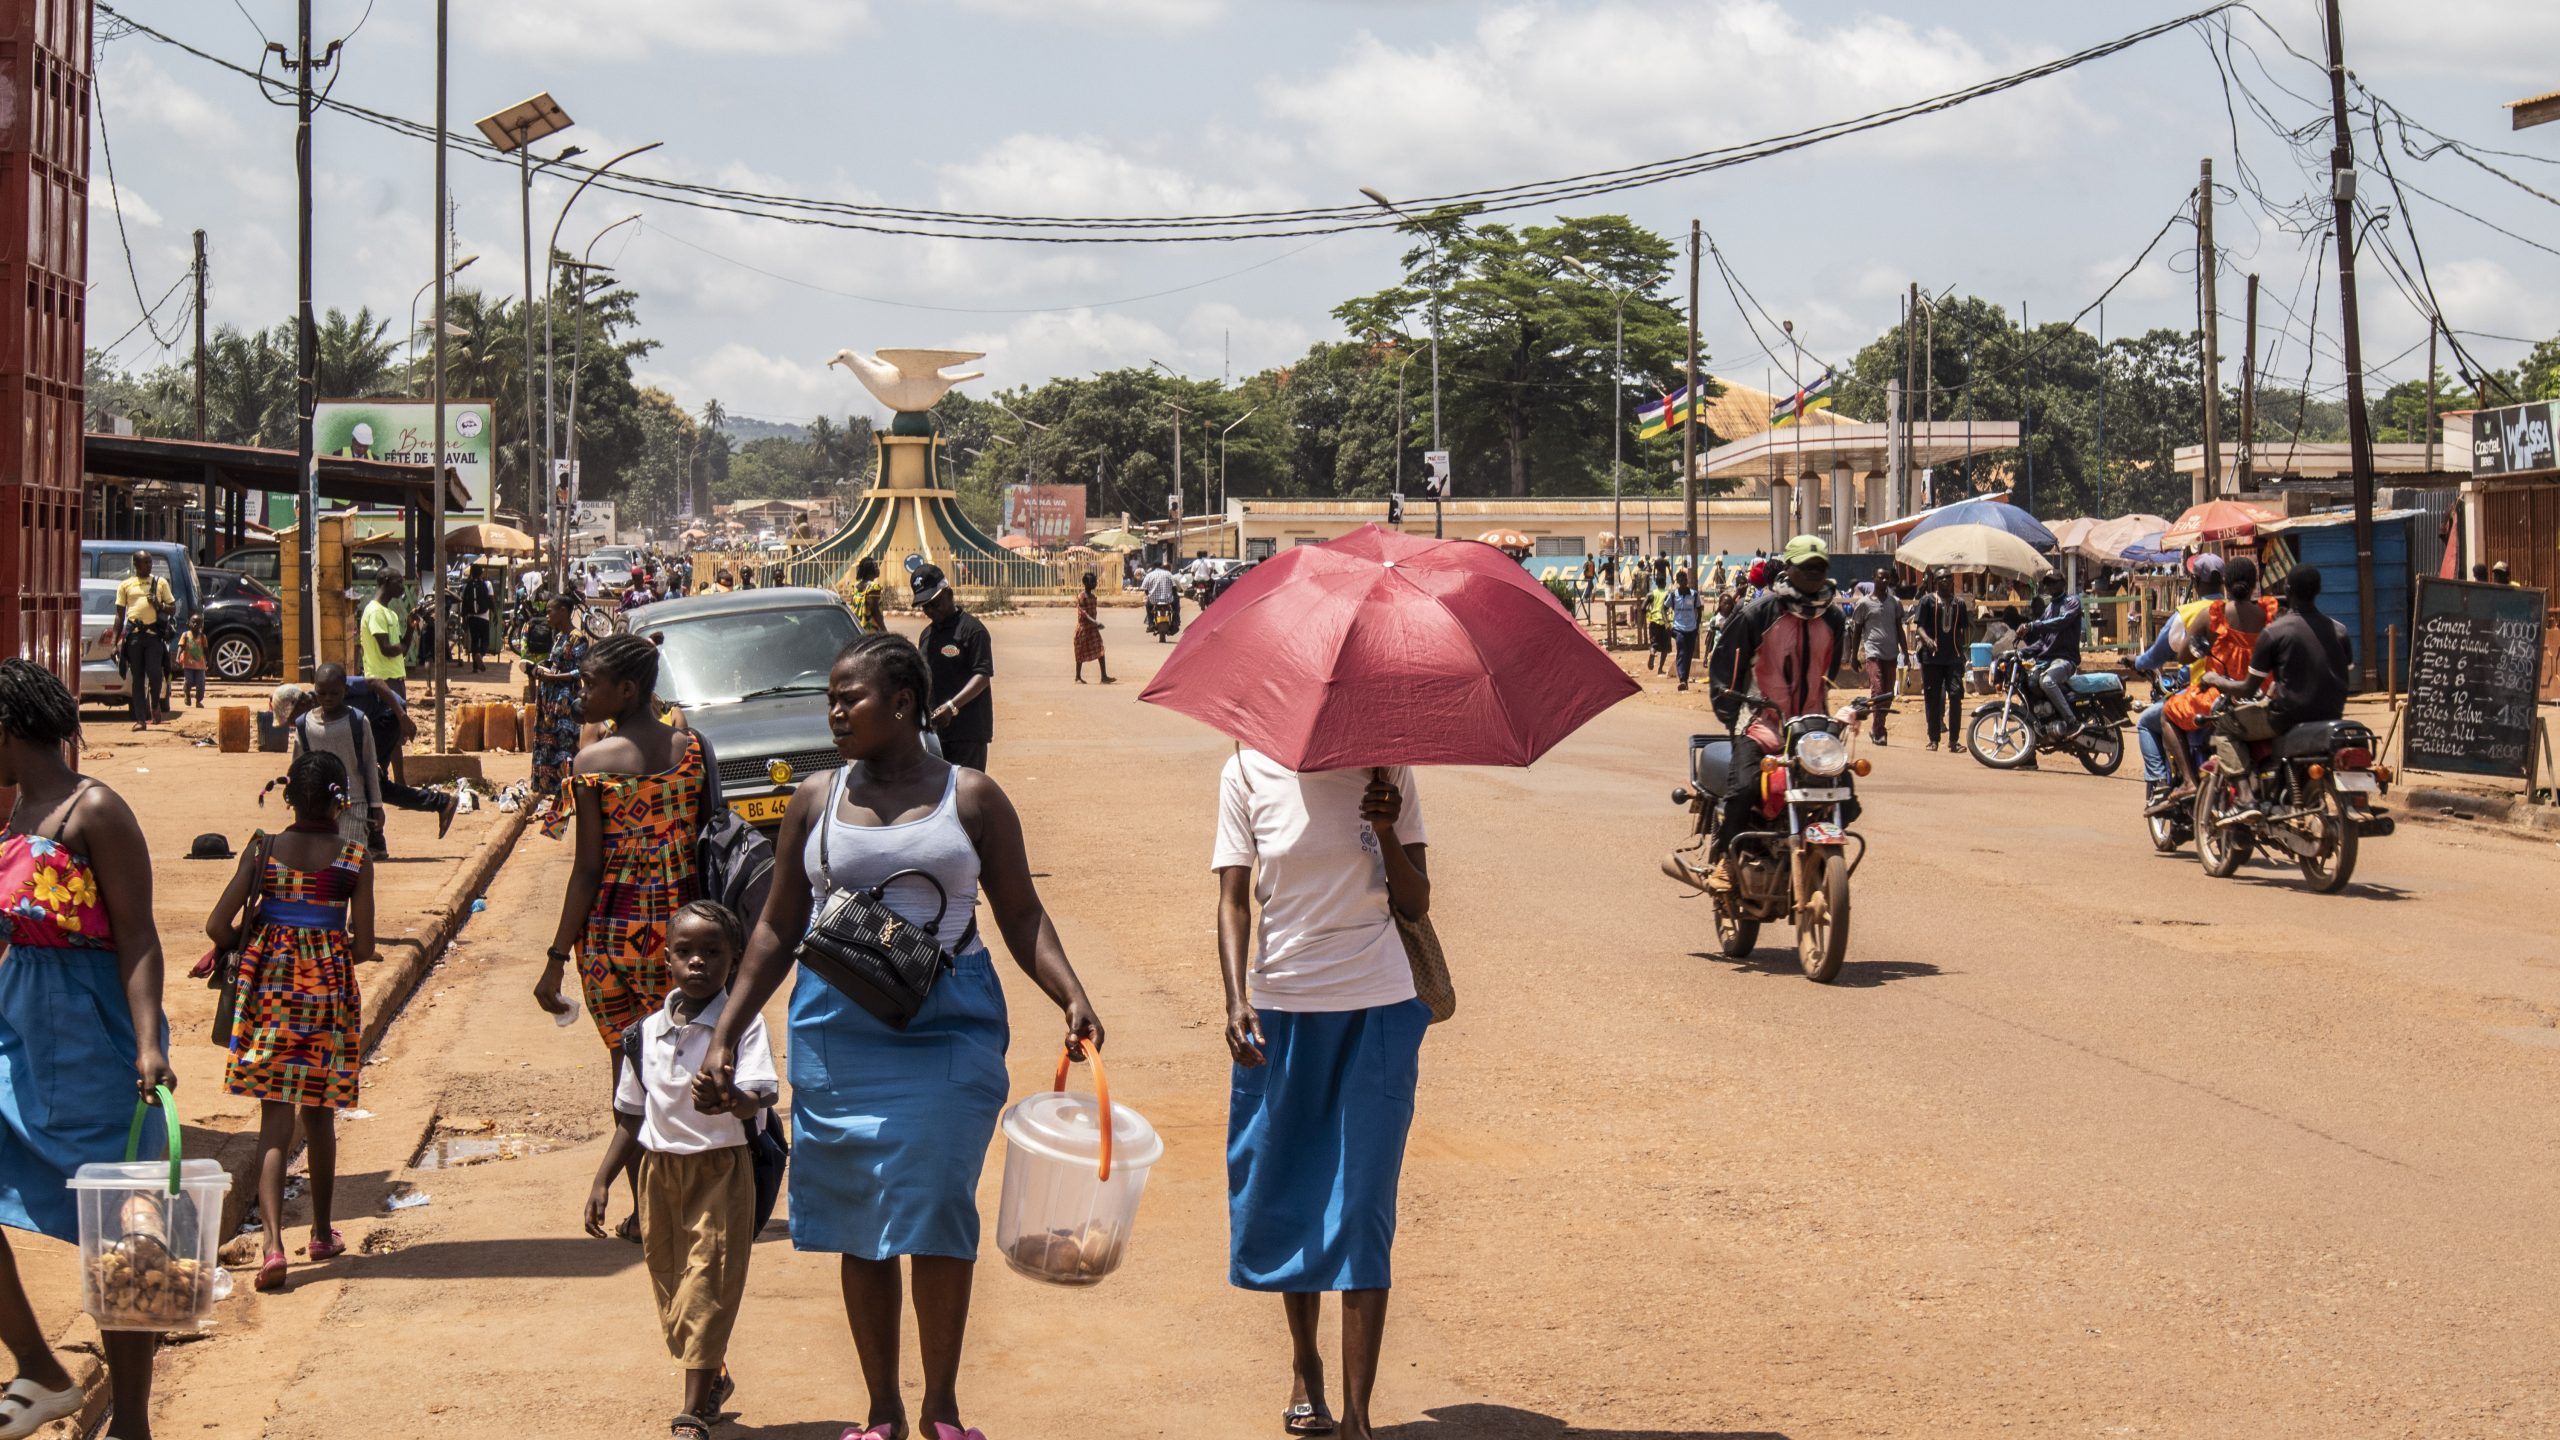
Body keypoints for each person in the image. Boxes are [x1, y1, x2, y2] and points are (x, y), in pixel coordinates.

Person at [697, 634, 1103, 1440]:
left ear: (905, 706)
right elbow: (776, 926)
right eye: (832, 700)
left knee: (936, 1204)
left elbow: (1020, 914)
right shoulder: (814, 800)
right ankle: (881, 1410)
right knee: (861, 1217)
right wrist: (727, 1033)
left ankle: (941, 1409)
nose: (835, 713)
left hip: (948, 1024)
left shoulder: (974, 798)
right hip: (837, 1032)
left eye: (851, 699)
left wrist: (1071, 993)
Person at [1215, 749, 1431, 1440]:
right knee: (1290, 1190)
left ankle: (1358, 1419)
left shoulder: (1389, 772)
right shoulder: (1246, 771)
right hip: (1281, 1008)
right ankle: (1307, 1370)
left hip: (1379, 1006)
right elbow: (1232, 898)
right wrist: (1234, 999)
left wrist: (1387, 828)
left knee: (1364, 1204)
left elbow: (1417, 900)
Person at [0, 659, 175, 1440]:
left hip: (95, 1034)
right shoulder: (14, 814)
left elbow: (138, 937)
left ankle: (132, 1423)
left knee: (126, 1234)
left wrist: (147, 1044)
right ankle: (39, 1367)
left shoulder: (93, 808)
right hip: (22, 1031)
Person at [541, 634, 714, 1240]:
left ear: (628, 691)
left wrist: (557, 957)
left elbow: (587, 868)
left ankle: (647, 1209)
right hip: (682, 939)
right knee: (687, 1066)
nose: (583, 693)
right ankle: (690, 1202)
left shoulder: (591, 766)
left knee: (630, 1076)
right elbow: (708, 842)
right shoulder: (692, 751)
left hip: (612, 942)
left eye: (592, 683)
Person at [586, 901, 775, 1440]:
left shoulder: (744, 1026)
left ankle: (690, 1412)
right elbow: (630, 1114)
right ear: (666, 959)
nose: (699, 963)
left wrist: (729, 1097)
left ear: (734, 961)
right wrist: (602, 1180)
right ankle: (712, 1373)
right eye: (686, 952)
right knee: (671, 1285)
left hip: (721, 1172)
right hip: (658, 1174)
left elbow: (758, 1101)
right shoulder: (643, 1034)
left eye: (712, 953)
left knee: (707, 1284)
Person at [208, 751, 374, 1294]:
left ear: (288, 799)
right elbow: (366, 945)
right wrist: (324, 943)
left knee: (274, 1124)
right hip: (325, 999)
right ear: (339, 802)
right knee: (319, 1118)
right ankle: (322, 1232)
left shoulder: (264, 850)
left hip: (270, 998)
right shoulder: (353, 859)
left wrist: (256, 945)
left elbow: (218, 924)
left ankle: (275, 1244)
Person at [1698, 535, 1846, 893]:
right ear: (1788, 568)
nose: (1813, 572)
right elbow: (1724, 669)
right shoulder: (1756, 614)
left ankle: (1816, 857)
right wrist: (1731, 711)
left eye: (1819, 567)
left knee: (1847, 794)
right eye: (1805, 565)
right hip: (1761, 726)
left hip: (1811, 733)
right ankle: (1724, 862)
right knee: (1745, 788)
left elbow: (1831, 671)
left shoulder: (1835, 618)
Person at [2155, 557, 2279, 806]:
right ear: (2255, 583)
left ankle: (2189, 781)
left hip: (2220, 696)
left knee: (2167, 713)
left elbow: (2184, 655)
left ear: (2226, 583)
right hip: (2262, 695)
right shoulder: (2268, 613)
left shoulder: (2214, 614)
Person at [2132, 555, 2224, 791]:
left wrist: (2137, 662)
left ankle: (2161, 782)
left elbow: (2156, 656)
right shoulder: (2235, 611)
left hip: (2200, 694)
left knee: (2146, 721)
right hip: (2233, 694)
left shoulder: (2188, 613)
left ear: (2195, 580)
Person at [287, 666, 389, 851]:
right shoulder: (305, 724)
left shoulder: (357, 721)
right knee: (320, 859)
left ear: (346, 691)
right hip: (316, 807)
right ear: (314, 691)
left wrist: (376, 805)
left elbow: (369, 764)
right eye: (322, 693)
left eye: (334, 693)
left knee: (350, 860)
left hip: (353, 805)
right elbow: (298, 767)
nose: (328, 698)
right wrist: (297, 803)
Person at [912, 566, 995, 773]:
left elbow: (982, 676)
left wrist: (951, 706)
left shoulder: (972, 631)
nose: (931, 611)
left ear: (949, 594)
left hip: (967, 733)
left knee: (963, 794)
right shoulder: (926, 636)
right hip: (935, 735)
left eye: (935, 604)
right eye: (925, 607)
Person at [2251, 566, 2351, 732]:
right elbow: (2342, 676)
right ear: (2318, 590)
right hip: (2332, 718)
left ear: (2287, 590)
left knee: (2229, 730)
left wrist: (2215, 680)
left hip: (2287, 721)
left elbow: (2248, 688)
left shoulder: (2273, 632)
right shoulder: (2340, 631)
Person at [530, 596, 592, 803]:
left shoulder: (578, 638)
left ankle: (567, 795)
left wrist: (553, 677)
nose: (547, 615)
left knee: (564, 745)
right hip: (549, 697)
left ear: (563, 611)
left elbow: (580, 672)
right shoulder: (559, 637)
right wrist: (540, 669)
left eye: (550, 611)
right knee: (548, 743)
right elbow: (554, 661)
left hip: (564, 700)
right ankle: (552, 791)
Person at [2014, 572, 2084, 738]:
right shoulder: (2048, 609)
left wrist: (2033, 626)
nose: (2050, 586)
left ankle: (2072, 722)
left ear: (2063, 583)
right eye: (2048, 583)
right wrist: (2019, 652)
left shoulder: (2072, 602)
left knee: (2047, 681)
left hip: (2065, 659)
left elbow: (2061, 622)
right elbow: (2042, 643)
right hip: (2045, 661)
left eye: (2054, 582)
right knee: (2026, 686)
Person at [113, 551, 177, 731]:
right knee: (137, 679)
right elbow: (119, 616)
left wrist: (159, 605)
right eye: (145, 563)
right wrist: (114, 643)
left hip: (153, 636)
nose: (149, 566)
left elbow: (172, 609)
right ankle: (141, 719)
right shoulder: (126, 585)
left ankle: (155, 703)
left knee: (155, 674)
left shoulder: (160, 583)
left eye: (150, 562)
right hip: (134, 636)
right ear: (136, 564)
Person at [1911, 569, 1971, 752]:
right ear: (1935, 582)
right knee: (1933, 697)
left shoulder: (1959, 604)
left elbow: (1965, 628)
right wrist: (1927, 640)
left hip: (1952, 657)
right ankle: (1933, 738)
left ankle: (1953, 740)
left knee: (1955, 696)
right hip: (1932, 658)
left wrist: (1964, 650)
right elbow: (1919, 626)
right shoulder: (1927, 601)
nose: (1945, 581)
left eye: (1948, 578)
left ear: (1952, 581)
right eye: (1941, 578)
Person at [1845, 579, 1903, 745]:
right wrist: (1853, 655)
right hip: (1873, 653)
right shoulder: (1864, 603)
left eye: (1887, 577)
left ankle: (1877, 726)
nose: (1884, 580)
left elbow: (1899, 628)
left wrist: (1905, 651)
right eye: (1881, 577)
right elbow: (1857, 631)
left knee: (1888, 694)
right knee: (1877, 691)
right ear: (1874, 579)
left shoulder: (1895, 603)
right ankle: (1879, 731)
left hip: (1891, 654)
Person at [1073, 571, 1114, 685]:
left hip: (1092, 629)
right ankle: (1077, 677)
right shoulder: (1082, 597)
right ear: (1086, 583)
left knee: (1100, 650)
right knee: (1080, 652)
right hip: (1083, 629)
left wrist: (1095, 624)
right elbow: (1084, 613)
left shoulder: (1093, 597)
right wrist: (1095, 622)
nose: (1095, 584)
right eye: (1093, 582)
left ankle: (1104, 676)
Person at [1667, 568, 1705, 691]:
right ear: (1677, 581)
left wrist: (1697, 624)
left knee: (1688, 654)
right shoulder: (1673, 595)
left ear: (1687, 581)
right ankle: (1682, 679)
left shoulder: (1694, 594)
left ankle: (1685, 679)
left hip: (1692, 629)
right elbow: (1664, 608)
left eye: (1684, 580)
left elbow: (1699, 609)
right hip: (1679, 629)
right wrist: (1667, 623)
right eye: (1680, 580)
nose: (1682, 582)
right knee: (1681, 652)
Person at [461, 566, 496, 674]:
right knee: (485, 640)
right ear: (481, 573)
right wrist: (495, 614)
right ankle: (480, 654)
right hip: (484, 617)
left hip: (472, 617)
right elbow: (491, 601)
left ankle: (475, 667)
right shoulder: (487, 584)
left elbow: (464, 603)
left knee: (474, 641)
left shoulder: (466, 585)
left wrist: (464, 618)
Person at [176, 614, 209, 710]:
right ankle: (187, 694)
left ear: (201, 625)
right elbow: (181, 646)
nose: (195, 625)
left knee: (200, 684)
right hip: (188, 664)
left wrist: (209, 660)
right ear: (188, 623)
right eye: (193, 622)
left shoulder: (203, 637)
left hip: (200, 665)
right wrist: (178, 657)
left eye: (198, 623)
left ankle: (198, 700)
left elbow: (206, 649)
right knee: (188, 681)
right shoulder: (185, 635)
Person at [1143, 557, 1180, 639]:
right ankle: (1176, 621)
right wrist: (1175, 596)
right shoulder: (1168, 574)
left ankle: (1151, 623)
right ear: (1161, 566)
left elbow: (1145, 589)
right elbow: (1174, 587)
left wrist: (1149, 594)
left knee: (1148, 607)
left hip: (1154, 601)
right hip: (1168, 600)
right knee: (1176, 607)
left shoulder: (1149, 575)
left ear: (1153, 566)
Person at [848, 557, 886, 633]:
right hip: (870, 630)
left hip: (857, 628)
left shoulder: (856, 586)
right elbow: (875, 611)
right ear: (870, 570)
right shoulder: (873, 587)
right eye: (876, 566)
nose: (878, 569)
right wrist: (884, 629)